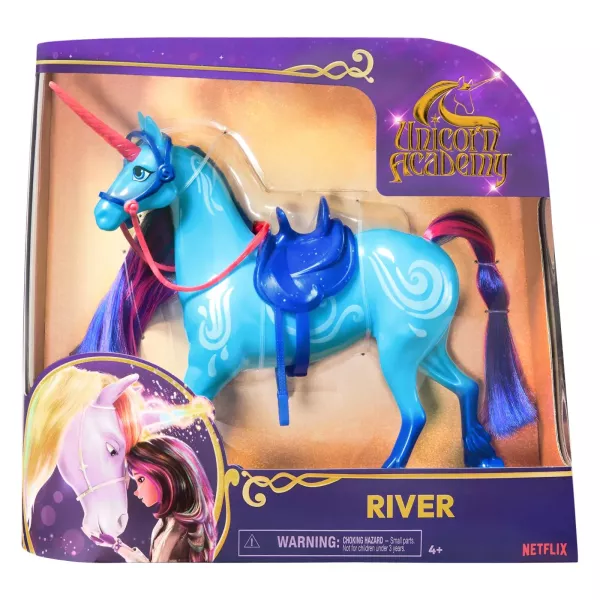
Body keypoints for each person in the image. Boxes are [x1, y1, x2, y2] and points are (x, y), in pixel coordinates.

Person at [102, 435, 217, 562]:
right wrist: (117, 545)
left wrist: (117, 546)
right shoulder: (169, 521)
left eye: (141, 479)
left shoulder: (180, 532)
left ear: (165, 474)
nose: (136, 492)